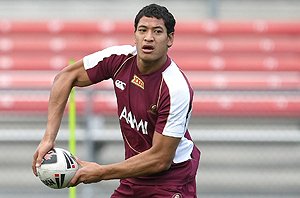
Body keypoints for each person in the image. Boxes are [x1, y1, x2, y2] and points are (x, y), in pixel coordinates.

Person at [32, 3, 200, 198]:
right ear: (135, 35)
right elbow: (65, 78)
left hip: (171, 181)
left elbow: (161, 159)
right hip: (134, 175)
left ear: (170, 39)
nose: (148, 37)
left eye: (158, 31)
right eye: (142, 30)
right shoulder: (120, 59)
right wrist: (48, 139)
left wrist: (101, 172)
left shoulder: (175, 88)